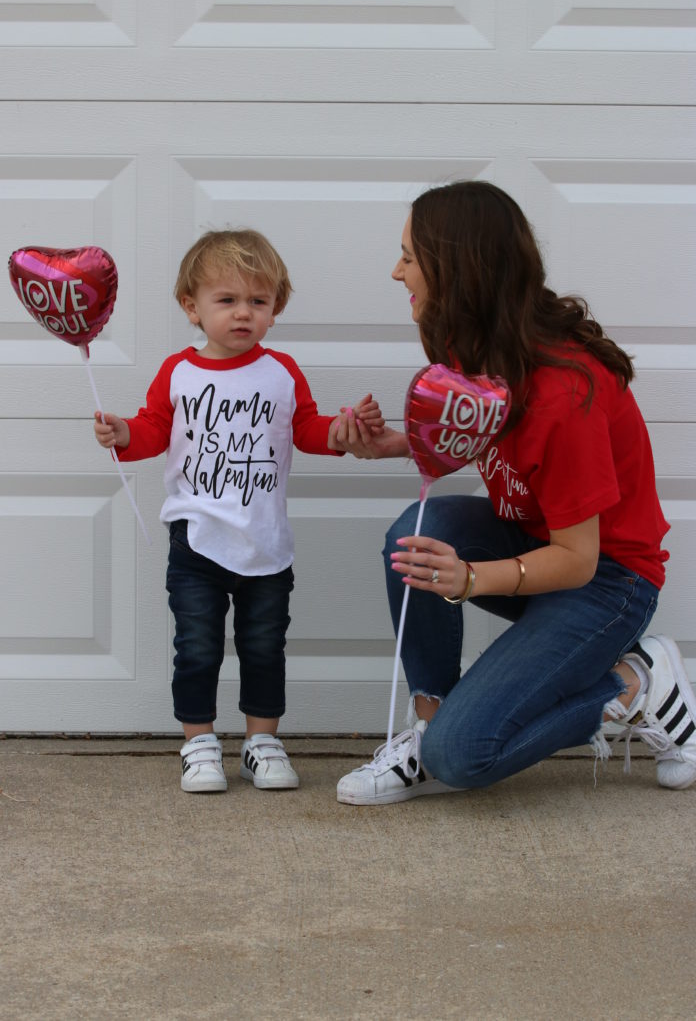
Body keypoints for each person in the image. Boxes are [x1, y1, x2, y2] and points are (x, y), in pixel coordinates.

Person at [330, 180, 696, 805]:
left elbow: (579, 560)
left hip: (608, 580)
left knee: (464, 756)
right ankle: (428, 724)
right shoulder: (470, 339)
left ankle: (633, 685)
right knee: (416, 532)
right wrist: (394, 443)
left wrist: (469, 579)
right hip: (534, 542)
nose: (396, 272)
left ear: (458, 270)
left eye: (409, 257)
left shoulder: (564, 393)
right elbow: (491, 442)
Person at [94, 228, 382, 794]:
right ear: (192, 307)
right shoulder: (179, 372)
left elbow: (307, 428)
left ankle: (261, 742)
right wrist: (125, 431)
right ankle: (199, 743)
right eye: (227, 300)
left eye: (259, 301)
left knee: (263, 646)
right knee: (197, 647)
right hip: (196, 540)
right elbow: (154, 428)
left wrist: (344, 434)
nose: (243, 313)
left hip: (265, 544)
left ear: (275, 309)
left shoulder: (281, 372)